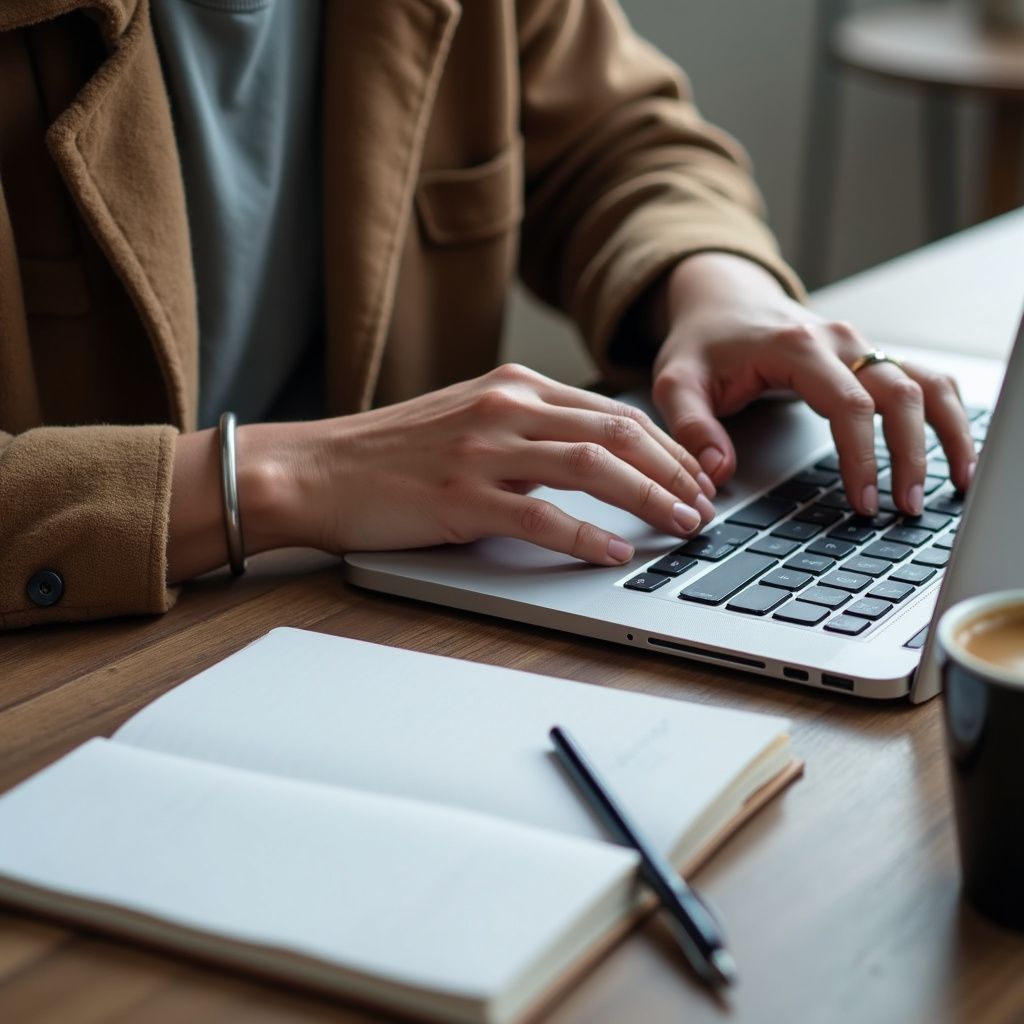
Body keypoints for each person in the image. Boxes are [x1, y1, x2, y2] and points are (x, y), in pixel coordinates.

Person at [0, 0, 976, 630]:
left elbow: (625, 145)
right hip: (71, 675)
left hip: (387, 622)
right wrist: (301, 472)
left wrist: (716, 283)